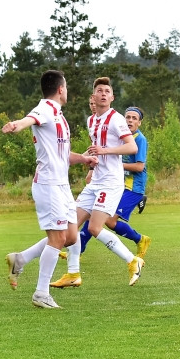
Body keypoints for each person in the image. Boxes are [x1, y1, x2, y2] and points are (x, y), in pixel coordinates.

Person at [2, 69, 96, 309]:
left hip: (62, 185)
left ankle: (20, 259)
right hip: (48, 185)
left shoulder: (59, 116)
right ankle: (41, 293)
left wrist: (83, 158)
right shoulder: (45, 108)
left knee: (72, 237)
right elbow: (29, 119)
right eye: (67, 87)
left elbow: (62, 155)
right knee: (57, 238)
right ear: (61, 89)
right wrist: (16, 125)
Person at [50, 77, 145, 289]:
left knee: (94, 228)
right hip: (96, 182)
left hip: (111, 182)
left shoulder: (117, 119)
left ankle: (133, 261)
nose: (103, 94)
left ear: (112, 97)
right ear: (93, 97)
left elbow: (132, 148)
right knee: (70, 225)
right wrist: (87, 161)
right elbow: (95, 148)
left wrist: (105, 151)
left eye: (107, 91)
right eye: (99, 91)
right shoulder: (92, 120)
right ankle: (73, 274)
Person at [60, 105, 151, 265]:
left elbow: (139, 167)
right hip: (116, 184)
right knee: (96, 213)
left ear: (139, 123)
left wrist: (116, 165)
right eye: (127, 117)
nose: (130, 120)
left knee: (107, 221)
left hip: (132, 187)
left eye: (134, 118)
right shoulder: (118, 135)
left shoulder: (139, 139)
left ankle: (140, 239)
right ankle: (77, 251)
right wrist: (91, 168)